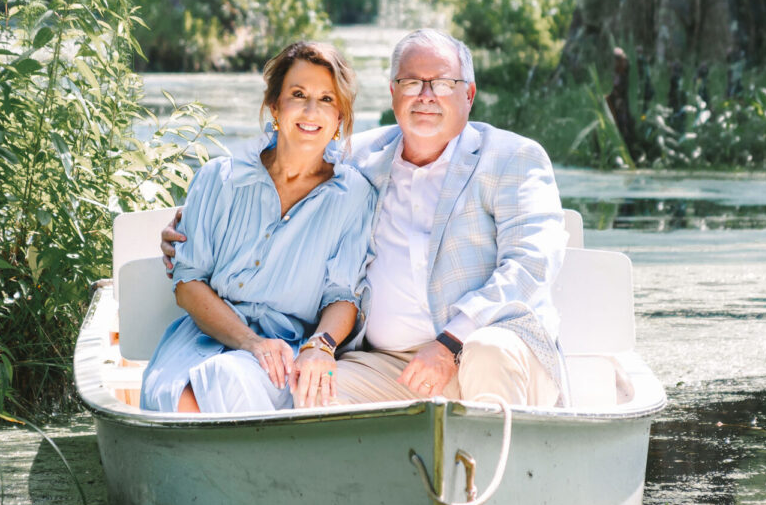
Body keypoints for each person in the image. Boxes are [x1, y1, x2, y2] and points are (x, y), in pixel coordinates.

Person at [165, 28, 568, 408]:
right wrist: (185, 223)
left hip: (490, 349)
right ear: (393, 92)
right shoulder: (360, 159)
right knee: (308, 391)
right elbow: (287, 171)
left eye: (443, 83)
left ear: (470, 94)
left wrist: (449, 342)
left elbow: (531, 265)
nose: (426, 95)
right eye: (412, 82)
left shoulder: (513, 157)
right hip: (391, 365)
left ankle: (498, 481)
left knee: (488, 351)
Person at [140, 41, 376, 414]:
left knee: (226, 382)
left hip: (284, 350)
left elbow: (342, 296)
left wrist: (321, 345)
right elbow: (188, 284)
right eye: (298, 94)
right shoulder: (219, 178)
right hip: (203, 336)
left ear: (340, 118)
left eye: (327, 99)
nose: (311, 110)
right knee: (179, 400)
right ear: (275, 106)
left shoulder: (354, 195)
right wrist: (250, 342)